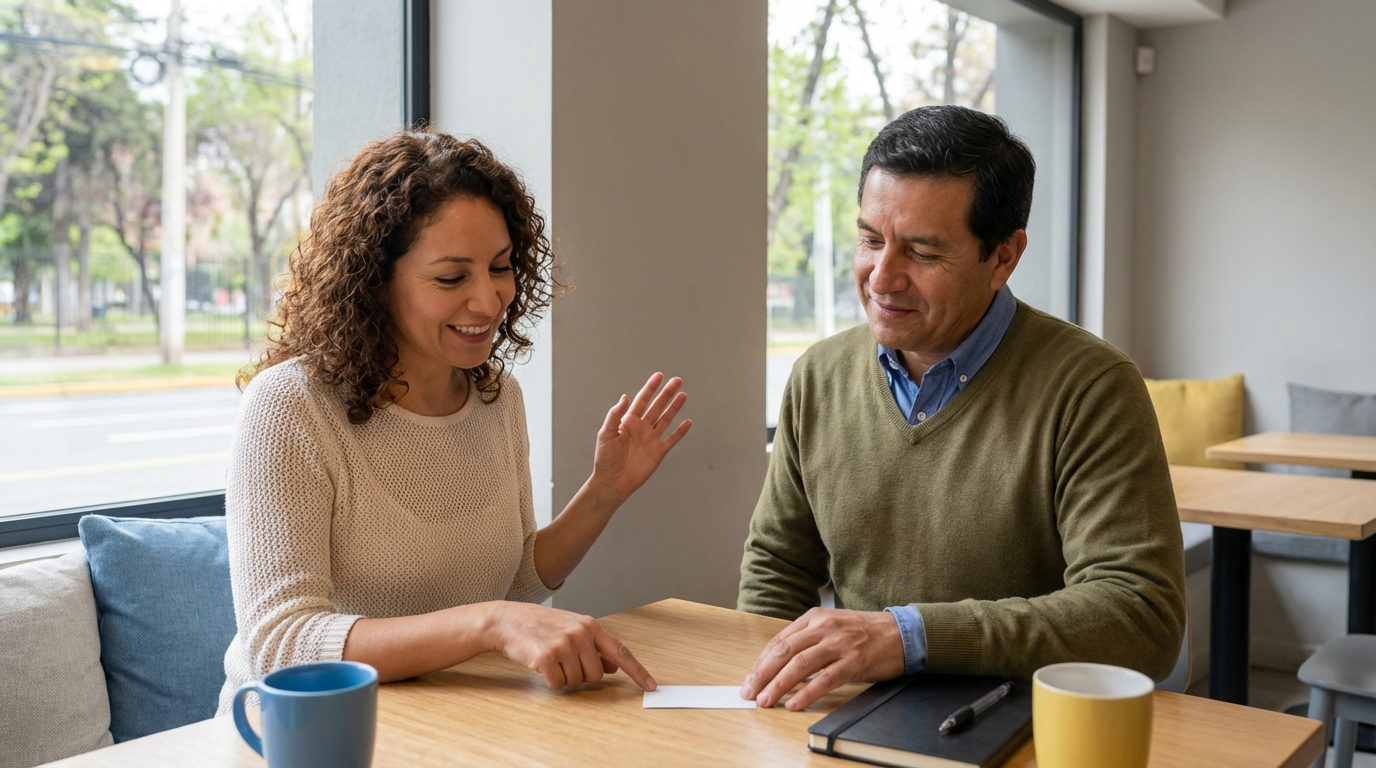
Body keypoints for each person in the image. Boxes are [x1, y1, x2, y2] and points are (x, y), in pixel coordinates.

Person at [216, 132, 690, 713]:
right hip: (302, 738)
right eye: (451, 278)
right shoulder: (292, 404)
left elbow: (513, 582)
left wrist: (604, 492)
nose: (489, 302)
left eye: (500, 268)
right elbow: (281, 644)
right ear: (374, 280)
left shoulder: (496, 399)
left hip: (446, 723)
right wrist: (489, 624)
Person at [737, 105, 1186, 711]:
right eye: (871, 240)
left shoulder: (1092, 386)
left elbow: (1140, 615)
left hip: (1020, 725)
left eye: (922, 253)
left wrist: (910, 636)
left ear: (1003, 256)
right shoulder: (818, 376)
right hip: (849, 719)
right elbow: (776, 567)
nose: (882, 278)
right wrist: (761, 702)